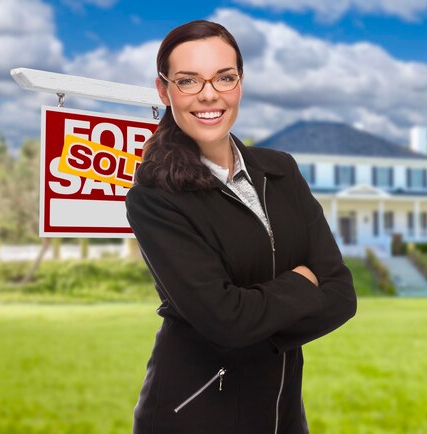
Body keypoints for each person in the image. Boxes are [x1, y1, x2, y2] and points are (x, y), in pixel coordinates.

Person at [125, 19, 357, 434]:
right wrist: (304, 284)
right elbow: (225, 321)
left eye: (224, 77)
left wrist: (249, 325)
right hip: (191, 416)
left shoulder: (281, 170)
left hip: (282, 416)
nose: (209, 94)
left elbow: (341, 294)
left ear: (241, 83)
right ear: (164, 90)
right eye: (188, 81)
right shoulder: (155, 197)